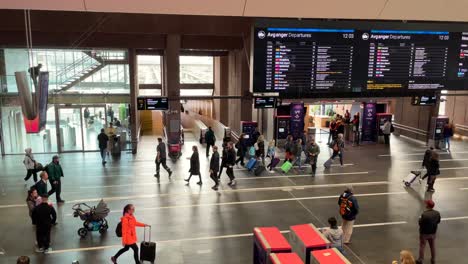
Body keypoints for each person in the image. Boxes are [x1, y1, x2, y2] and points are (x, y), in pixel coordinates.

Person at [416, 200, 441, 264]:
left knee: (422, 246)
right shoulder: (437, 213)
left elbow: (420, 223)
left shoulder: (424, 214)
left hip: (424, 233)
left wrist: (419, 220)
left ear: (427, 206)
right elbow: (438, 221)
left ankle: (420, 260)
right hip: (433, 233)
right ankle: (433, 259)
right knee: (432, 246)